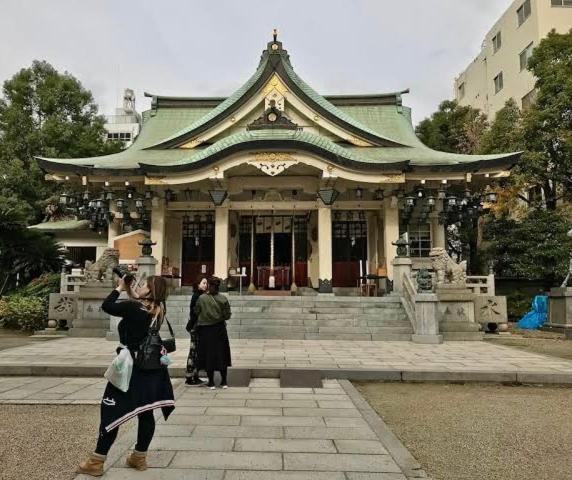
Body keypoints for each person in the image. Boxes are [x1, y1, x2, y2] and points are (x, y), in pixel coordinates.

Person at [77, 275, 175, 477]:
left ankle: (96, 461)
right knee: (146, 412)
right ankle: (139, 457)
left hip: (129, 368)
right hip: (151, 370)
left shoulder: (132, 309)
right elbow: (137, 305)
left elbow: (107, 306)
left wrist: (120, 287)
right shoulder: (157, 309)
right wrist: (131, 289)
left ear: (149, 291)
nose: (138, 287)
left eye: (143, 285)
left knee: (111, 410)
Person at [195, 276, 232, 389]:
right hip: (220, 329)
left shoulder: (201, 298)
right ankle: (224, 381)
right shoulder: (223, 299)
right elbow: (227, 315)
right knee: (222, 354)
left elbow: (196, 311)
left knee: (208, 354)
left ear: (209, 286)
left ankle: (211, 382)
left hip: (206, 330)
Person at [185, 276, 208, 386]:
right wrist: (191, 326)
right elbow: (194, 314)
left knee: (195, 352)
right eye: (203, 283)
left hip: (196, 326)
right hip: (196, 327)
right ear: (198, 284)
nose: (205, 285)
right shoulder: (197, 296)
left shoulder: (199, 295)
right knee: (193, 352)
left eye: (206, 283)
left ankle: (194, 376)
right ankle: (190, 377)